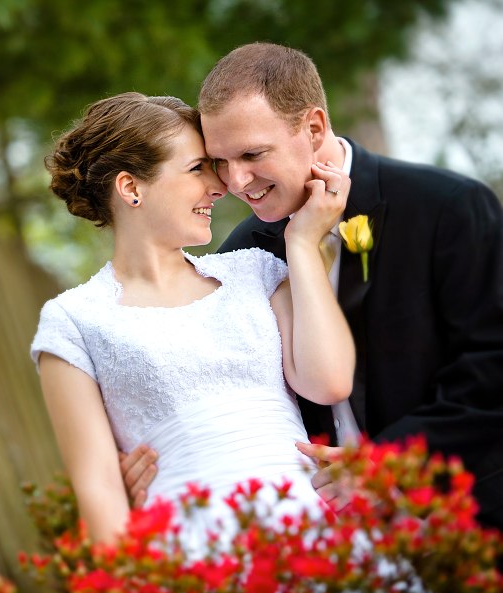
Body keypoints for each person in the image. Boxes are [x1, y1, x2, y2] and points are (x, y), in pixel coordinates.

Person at [119, 43, 503, 532]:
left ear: (314, 128)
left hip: (471, 525)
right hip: (327, 542)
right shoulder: (242, 256)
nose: (237, 181)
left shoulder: (446, 207)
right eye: (219, 161)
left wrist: (385, 467)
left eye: (252, 154)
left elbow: (491, 373)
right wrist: (144, 466)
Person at [31, 91, 355, 550]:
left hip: (311, 535)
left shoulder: (256, 273)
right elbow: (99, 489)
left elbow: (329, 383)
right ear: (131, 188)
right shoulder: (73, 322)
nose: (220, 186)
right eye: (196, 168)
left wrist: (301, 243)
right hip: (189, 553)